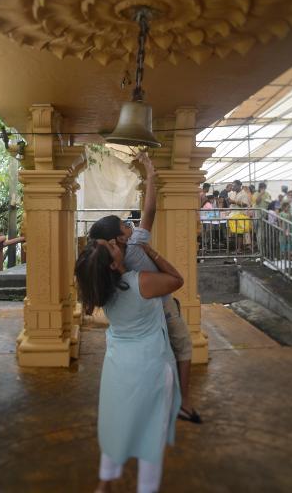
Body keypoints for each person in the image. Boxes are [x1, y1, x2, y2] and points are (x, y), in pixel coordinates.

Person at [90, 153, 201, 424]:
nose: (131, 226)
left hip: (142, 311)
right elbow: (174, 278)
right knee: (182, 348)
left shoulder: (123, 248)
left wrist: (150, 176)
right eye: (125, 226)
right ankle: (183, 403)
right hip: (157, 305)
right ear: (117, 238)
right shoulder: (127, 254)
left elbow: (149, 210)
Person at [76, 237, 182, 493]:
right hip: (150, 367)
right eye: (112, 247)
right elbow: (176, 279)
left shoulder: (102, 291)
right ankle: (146, 488)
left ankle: (104, 483)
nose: (116, 243)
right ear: (112, 265)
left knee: (117, 423)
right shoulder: (140, 283)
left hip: (118, 366)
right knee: (152, 430)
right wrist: (149, 251)